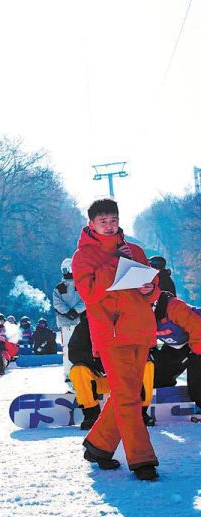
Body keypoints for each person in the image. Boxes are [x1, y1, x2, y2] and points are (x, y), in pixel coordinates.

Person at [73, 197, 160, 481]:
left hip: (140, 329)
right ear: (91, 224)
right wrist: (116, 263)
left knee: (129, 395)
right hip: (111, 334)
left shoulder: (135, 250)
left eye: (113, 221)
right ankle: (142, 459)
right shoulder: (83, 257)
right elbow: (89, 294)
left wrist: (149, 288)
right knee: (127, 397)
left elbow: (154, 292)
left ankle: (99, 445)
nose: (110, 227)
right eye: (103, 222)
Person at [69, 311, 154, 429]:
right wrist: (100, 359)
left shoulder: (128, 321)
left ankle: (140, 413)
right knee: (78, 370)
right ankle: (91, 414)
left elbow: (141, 348)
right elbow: (74, 354)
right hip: (100, 378)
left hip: (125, 378)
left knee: (147, 364)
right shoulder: (84, 326)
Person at [152, 291, 201, 408]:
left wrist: (196, 354)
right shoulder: (135, 315)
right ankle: (163, 402)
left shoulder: (174, 307)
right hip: (178, 344)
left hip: (197, 337)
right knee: (159, 374)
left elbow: (197, 327)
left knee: (196, 378)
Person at [53, 258, 86, 384]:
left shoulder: (81, 284)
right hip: (68, 323)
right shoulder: (60, 287)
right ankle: (69, 374)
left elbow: (86, 299)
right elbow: (57, 303)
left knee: (78, 348)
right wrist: (70, 312)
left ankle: (81, 372)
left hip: (79, 321)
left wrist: (73, 311)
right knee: (68, 348)